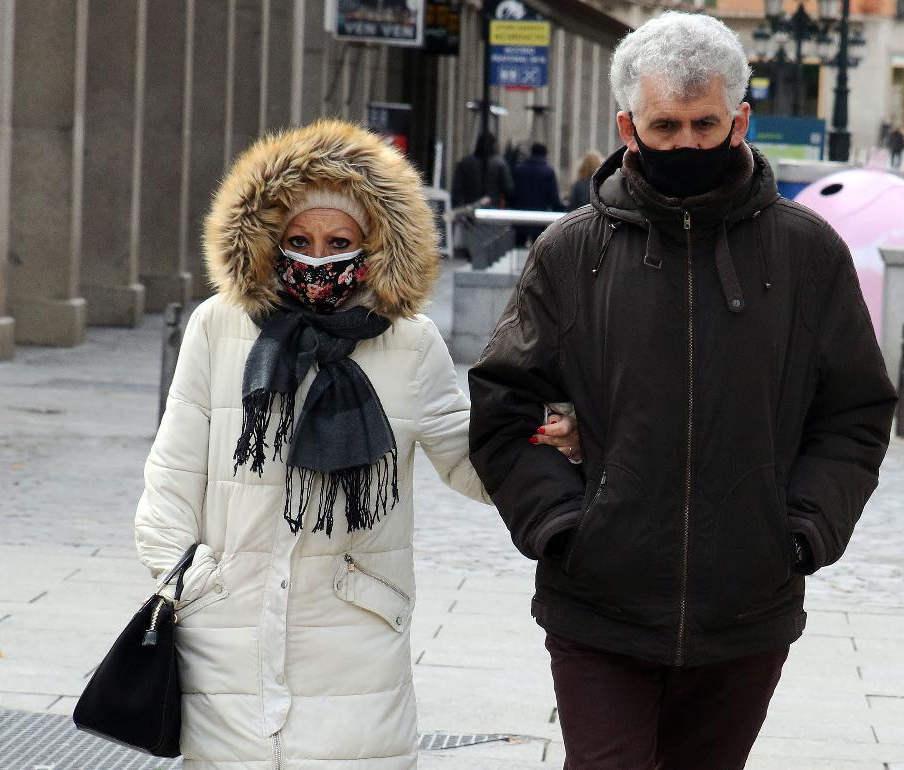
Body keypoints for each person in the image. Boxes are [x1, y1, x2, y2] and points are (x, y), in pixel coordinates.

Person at [468, 12, 897, 770]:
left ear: (741, 119)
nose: (688, 144)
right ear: (628, 126)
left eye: (706, 124)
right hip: (598, 602)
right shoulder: (571, 253)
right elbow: (508, 406)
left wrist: (800, 532)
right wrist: (564, 525)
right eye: (666, 126)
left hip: (748, 606)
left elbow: (855, 413)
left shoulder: (806, 252)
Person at [133, 119, 579, 769]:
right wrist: (193, 583)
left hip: (359, 635)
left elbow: (471, 459)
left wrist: (553, 438)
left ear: (373, 245)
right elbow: (172, 475)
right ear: (268, 240)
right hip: (226, 638)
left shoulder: (409, 342)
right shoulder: (217, 327)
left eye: (339, 241)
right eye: (300, 240)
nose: (318, 257)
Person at [510, 142, 565, 245]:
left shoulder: (519, 170)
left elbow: (512, 193)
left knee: (518, 248)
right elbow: (553, 197)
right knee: (538, 249)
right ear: (545, 154)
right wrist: (559, 211)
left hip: (520, 217)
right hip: (540, 218)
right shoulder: (548, 171)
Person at [451, 131, 514, 208]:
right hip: (492, 208)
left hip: (469, 208)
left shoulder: (464, 163)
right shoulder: (500, 164)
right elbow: (508, 189)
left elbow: (456, 190)